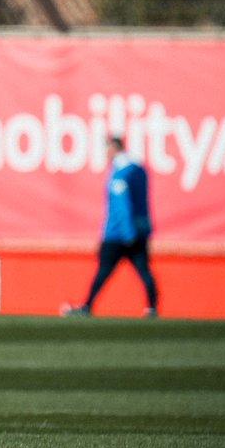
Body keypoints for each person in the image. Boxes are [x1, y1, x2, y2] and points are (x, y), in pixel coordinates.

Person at [62, 134, 158, 317]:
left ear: (114, 148)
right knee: (144, 271)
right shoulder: (139, 169)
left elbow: (122, 205)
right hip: (139, 230)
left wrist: (127, 232)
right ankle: (152, 308)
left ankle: (87, 306)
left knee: (104, 272)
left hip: (118, 233)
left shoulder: (121, 172)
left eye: (106, 148)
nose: (105, 153)